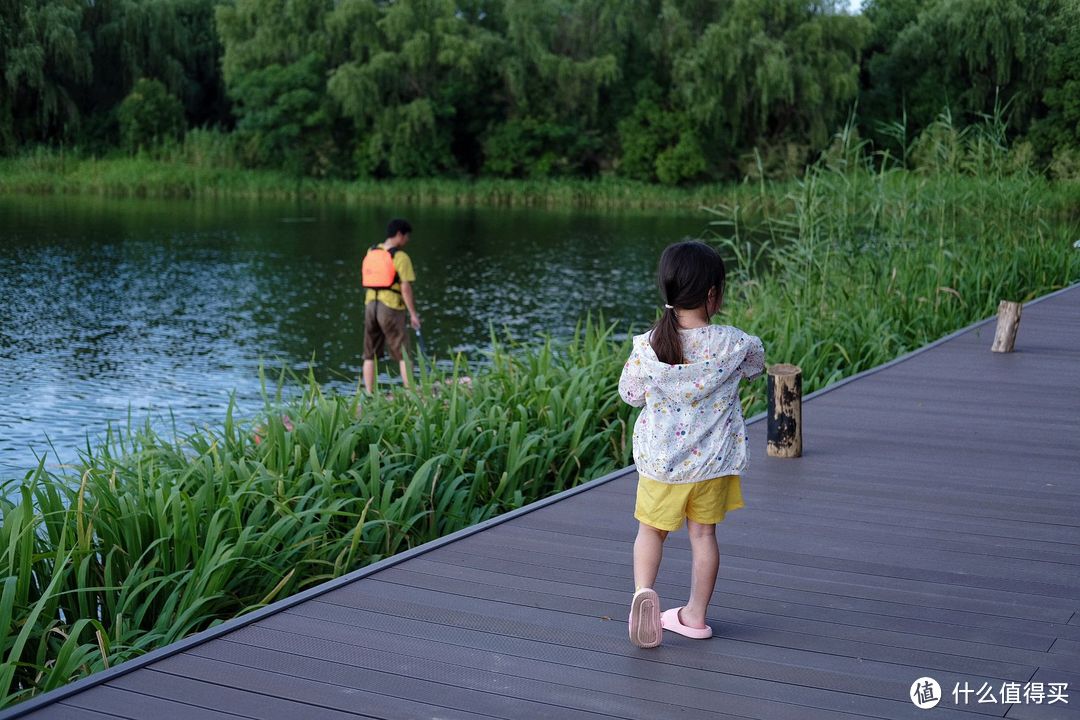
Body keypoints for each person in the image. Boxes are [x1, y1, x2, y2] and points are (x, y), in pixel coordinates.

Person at [618, 240, 765, 648]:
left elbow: (629, 394)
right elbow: (757, 367)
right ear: (713, 294)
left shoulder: (649, 346)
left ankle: (643, 592)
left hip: (662, 465)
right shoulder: (736, 343)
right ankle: (694, 616)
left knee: (650, 531)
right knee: (703, 537)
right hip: (713, 463)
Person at [362, 218, 421, 394]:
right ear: (399, 234)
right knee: (403, 351)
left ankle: (369, 394)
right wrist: (413, 314)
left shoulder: (371, 251)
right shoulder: (401, 257)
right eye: (406, 236)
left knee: (369, 353)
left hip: (370, 304)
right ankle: (411, 392)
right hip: (390, 306)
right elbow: (405, 287)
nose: (407, 240)